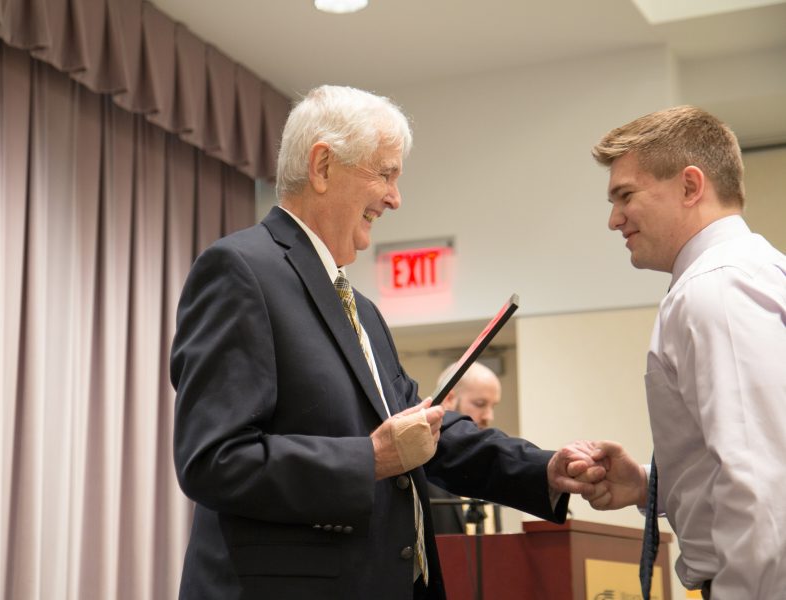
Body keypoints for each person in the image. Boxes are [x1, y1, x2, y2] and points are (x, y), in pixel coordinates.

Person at [171, 85, 603, 600]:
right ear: (323, 166)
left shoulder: (363, 311)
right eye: (386, 173)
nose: (396, 197)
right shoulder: (239, 271)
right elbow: (214, 459)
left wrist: (543, 470)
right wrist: (370, 459)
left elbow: (427, 428)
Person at [578, 106, 786, 599]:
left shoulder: (716, 289)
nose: (613, 220)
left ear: (691, 187)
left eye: (625, 195)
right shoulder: (751, 272)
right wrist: (650, 485)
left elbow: (763, 489)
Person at [428, 361, 503, 534]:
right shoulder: (420, 465)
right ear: (449, 399)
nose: (489, 416)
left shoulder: (489, 467)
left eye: (493, 406)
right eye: (480, 403)